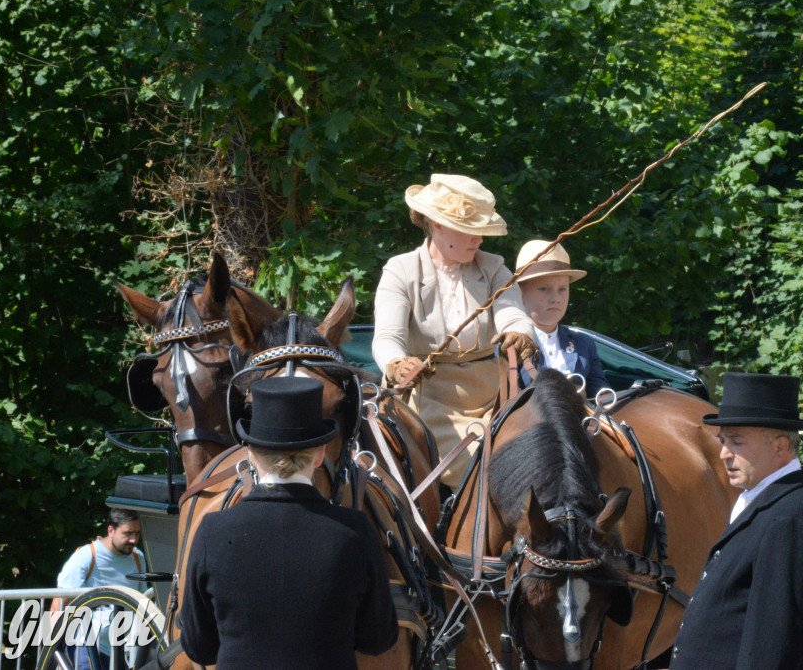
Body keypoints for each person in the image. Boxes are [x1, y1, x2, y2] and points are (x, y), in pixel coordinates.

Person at [179, 377, 398, 669]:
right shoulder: (354, 531)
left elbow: (199, 647)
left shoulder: (212, 530)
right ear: (319, 455)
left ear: (251, 454)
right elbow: (378, 639)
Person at [372, 174, 536, 485]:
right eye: (470, 230)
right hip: (426, 401)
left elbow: (512, 312)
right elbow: (387, 338)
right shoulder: (400, 270)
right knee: (484, 464)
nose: (480, 239)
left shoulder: (494, 268)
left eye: (481, 231)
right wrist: (397, 363)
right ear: (437, 225)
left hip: (494, 398)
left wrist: (520, 333)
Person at [669, 372, 803, 670]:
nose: (724, 454)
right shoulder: (766, 501)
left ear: (780, 447)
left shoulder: (792, 517)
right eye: (723, 441)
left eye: (736, 442)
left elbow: (774, 644)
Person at [514, 239, 610, 397]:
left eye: (562, 289)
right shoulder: (509, 345)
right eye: (544, 289)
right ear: (520, 293)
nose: (555, 298)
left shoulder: (584, 344)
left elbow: (604, 398)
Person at [54, 508, 146, 670]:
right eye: (128, 533)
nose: (133, 539)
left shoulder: (138, 558)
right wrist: (54, 652)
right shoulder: (87, 555)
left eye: (137, 534)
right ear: (111, 530)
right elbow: (58, 605)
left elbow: (143, 602)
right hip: (85, 645)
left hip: (119, 650)